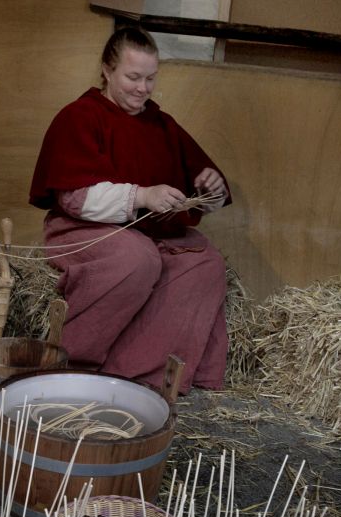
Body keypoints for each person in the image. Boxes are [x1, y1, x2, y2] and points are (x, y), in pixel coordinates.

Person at [29, 26, 231, 395]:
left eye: (151, 78)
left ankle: (133, 375)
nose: (143, 88)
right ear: (107, 70)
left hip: (150, 233)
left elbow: (195, 187)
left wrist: (210, 189)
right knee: (136, 259)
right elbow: (73, 198)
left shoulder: (161, 125)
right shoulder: (79, 116)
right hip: (82, 229)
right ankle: (73, 365)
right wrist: (141, 196)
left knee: (205, 263)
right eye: (133, 77)